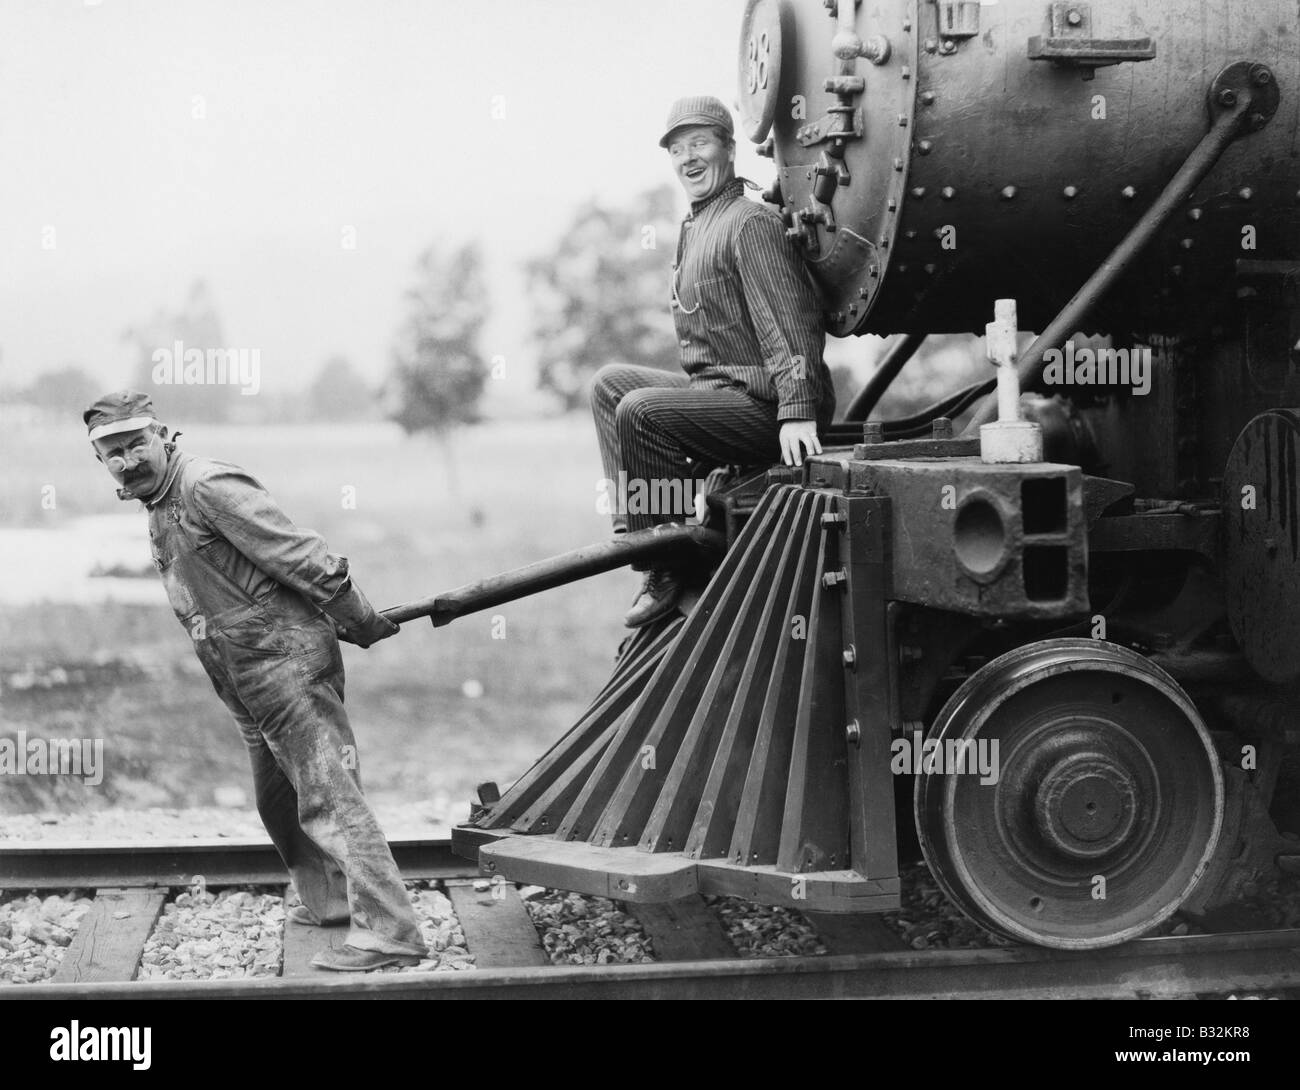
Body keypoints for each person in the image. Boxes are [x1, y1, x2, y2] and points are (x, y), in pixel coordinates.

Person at [83, 390, 428, 972]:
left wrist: (358, 616)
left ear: (163, 435)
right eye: (111, 454)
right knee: (277, 799)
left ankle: (392, 933)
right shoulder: (157, 500)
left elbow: (300, 555)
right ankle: (328, 904)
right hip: (238, 672)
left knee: (329, 797)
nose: (126, 461)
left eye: (135, 445)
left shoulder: (205, 485)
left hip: (283, 664)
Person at [591, 95, 834, 628]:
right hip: (722, 396)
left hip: (766, 407)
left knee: (641, 410)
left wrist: (797, 407)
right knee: (610, 385)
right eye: (677, 149)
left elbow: (788, 320)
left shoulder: (749, 222)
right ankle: (643, 532)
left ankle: (673, 561)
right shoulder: (696, 227)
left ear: (728, 147)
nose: (688, 158)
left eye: (699, 142)